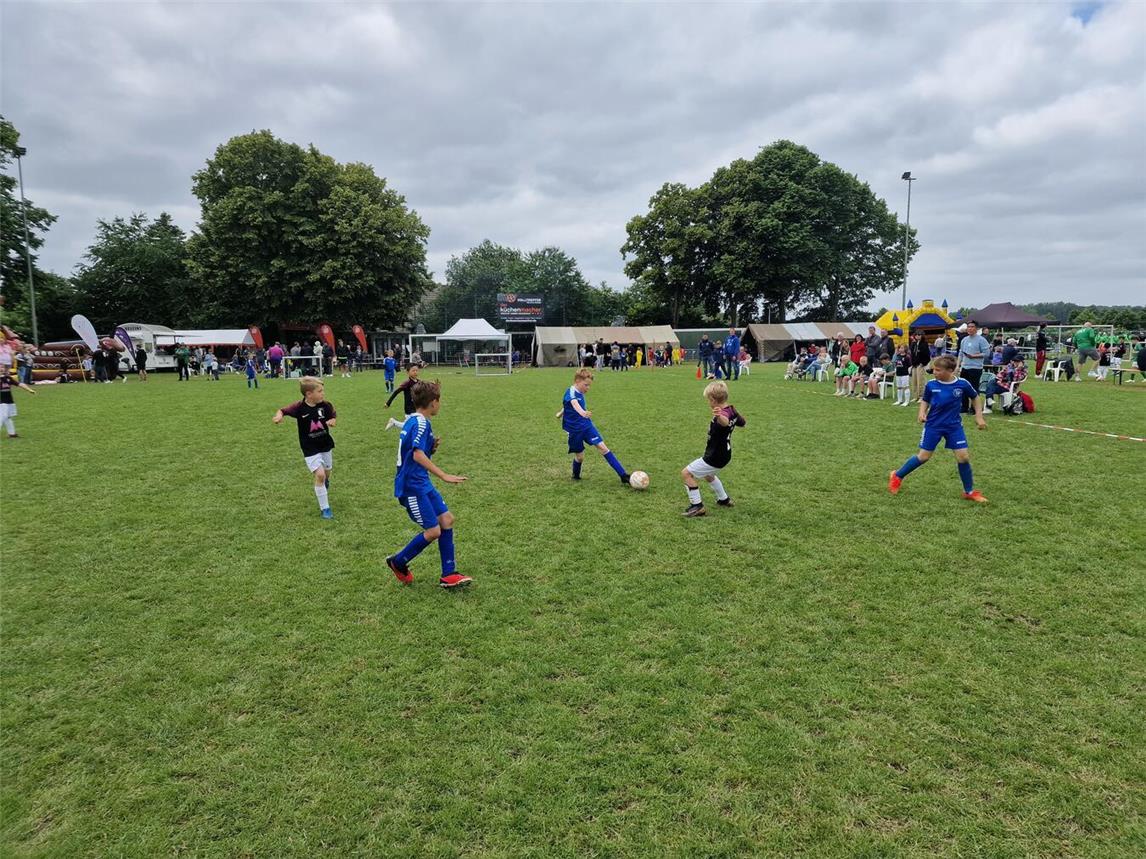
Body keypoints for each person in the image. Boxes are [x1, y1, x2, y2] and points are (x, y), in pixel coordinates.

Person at [386, 380, 472, 589]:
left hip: (421, 482)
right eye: (439, 401)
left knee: (447, 520)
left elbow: (414, 451)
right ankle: (398, 561)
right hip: (411, 487)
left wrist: (430, 449)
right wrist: (444, 475)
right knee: (433, 531)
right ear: (433, 402)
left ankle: (448, 574)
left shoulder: (413, 420)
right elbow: (416, 455)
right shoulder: (421, 423)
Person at [888, 356, 988, 502]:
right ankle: (897, 475)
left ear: (950, 371)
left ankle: (969, 491)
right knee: (923, 457)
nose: (934, 372)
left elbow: (975, 397)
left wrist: (979, 417)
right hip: (933, 426)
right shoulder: (931, 385)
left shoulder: (962, 384)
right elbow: (925, 400)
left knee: (963, 457)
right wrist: (921, 413)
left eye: (938, 370)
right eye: (934, 369)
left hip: (954, 427)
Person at [272, 376, 337, 519]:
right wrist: (278, 416)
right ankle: (325, 509)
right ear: (309, 394)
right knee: (319, 475)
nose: (323, 394)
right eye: (320, 391)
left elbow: (332, 415)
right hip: (309, 447)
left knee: (326, 473)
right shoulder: (299, 407)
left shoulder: (325, 405)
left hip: (325, 444)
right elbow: (282, 410)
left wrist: (332, 420)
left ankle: (325, 481)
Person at [681, 381, 746, 517]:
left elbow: (725, 422)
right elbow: (742, 422)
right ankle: (724, 499)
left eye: (708, 400)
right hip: (725, 455)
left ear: (713, 400)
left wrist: (719, 416)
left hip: (714, 456)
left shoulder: (722, 415)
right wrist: (734, 419)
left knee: (686, 473)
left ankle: (697, 506)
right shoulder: (732, 409)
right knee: (708, 475)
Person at [555, 368, 631, 484]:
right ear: (577, 381)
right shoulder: (570, 392)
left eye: (589, 386)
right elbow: (573, 403)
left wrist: (560, 413)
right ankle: (575, 476)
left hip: (586, 425)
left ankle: (623, 475)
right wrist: (583, 413)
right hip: (574, 430)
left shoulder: (579, 392)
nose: (588, 388)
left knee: (603, 448)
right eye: (586, 385)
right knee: (580, 457)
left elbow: (567, 405)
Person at [956, 320, 990, 414]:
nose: (970, 329)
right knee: (963, 387)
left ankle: (974, 408)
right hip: (965, 367)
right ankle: (964, 407)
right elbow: (961, 353)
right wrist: (958, 365)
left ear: (977, 329)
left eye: (972, 327)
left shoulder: (981, 340)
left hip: (975, 368)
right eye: (968, 327)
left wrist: (974, 356)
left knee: (974, 388)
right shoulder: (964, 340)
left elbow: (987, 353)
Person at [385, 362, 421, 430]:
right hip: (409, 408)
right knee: (411, 426)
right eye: (413, 370)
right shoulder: (407, 383)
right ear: (407, 372)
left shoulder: (419, 382)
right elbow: (396, 392)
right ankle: (394, 422)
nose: (415, 372)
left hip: (417, 407)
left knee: (413, 426)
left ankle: (393, 422)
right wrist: (388, 403)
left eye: (417, 370)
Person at [0, 371, 37, 438]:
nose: (2, 369)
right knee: (3, 416)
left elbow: (20, 384)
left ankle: (12, 433)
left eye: (2, 367)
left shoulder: (8, 378)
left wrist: (29, 390)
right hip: (1, 401)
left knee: (7, 417)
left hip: (9, 400)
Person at [910, 332, 930, 402]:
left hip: (921, 364)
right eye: (916, 335)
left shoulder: (924, 344)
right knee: (914, 381)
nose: (917, 336)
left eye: (919, 335)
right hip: (914, 365)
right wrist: (912, 363)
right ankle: (915, 396)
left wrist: (923, 363)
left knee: (920, 381)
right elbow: (912, 355)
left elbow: (927, 355)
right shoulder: (913, 344)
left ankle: (921, 396)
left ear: (922, 336)